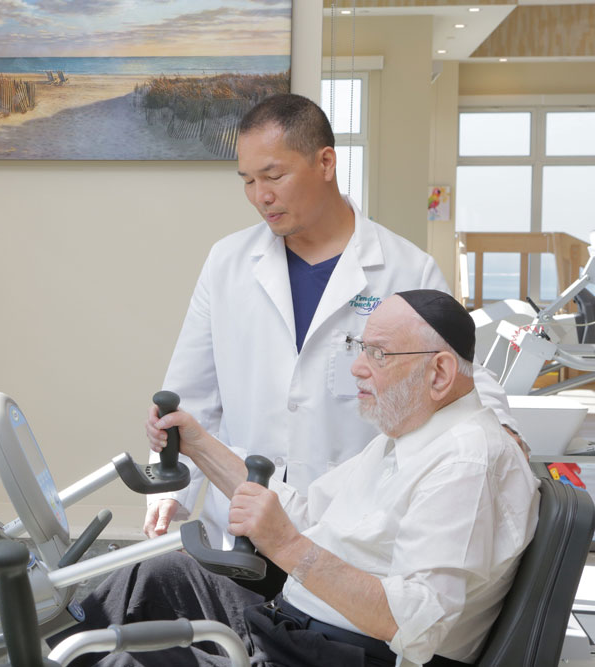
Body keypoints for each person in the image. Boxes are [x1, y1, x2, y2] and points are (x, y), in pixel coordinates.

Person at [144, 94, 524, 561]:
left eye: (274, 175)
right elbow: (192, 395)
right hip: (238, 527)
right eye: (248, 180)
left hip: (349, 537)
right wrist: (171, 489)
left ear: (325, 162)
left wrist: (504, 433)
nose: (260, 195)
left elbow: (461, 378)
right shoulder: (227, 263)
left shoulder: (406, 269)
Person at [70, 290, 539, 667]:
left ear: (439, 372)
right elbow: (304, 513)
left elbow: (415, 620)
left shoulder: (465, 462)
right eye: (360, 348)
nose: (357, 366)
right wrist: (197, 444)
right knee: (153, 577)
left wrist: (288, 547)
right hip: (299, 624)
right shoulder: (405, 436)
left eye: (377, 354)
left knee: (130, 661)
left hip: (346, 653)